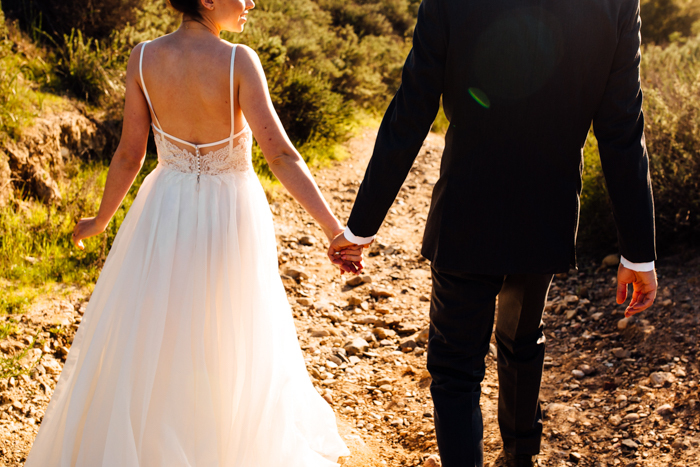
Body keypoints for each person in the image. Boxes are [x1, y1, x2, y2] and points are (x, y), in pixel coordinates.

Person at [25, 0, 360, 465]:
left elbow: (129, 153)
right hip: (230, 210)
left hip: (166, 207)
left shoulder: (143, 57)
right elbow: (280, 154)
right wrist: (334, 230)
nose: (250, 3)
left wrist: (101, 220)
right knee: (232, 329)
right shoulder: (239, 60)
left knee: (162, 327)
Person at [329, 0, 658, 466]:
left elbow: (412, 109)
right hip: (548, 214)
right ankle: (521, 457)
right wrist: (638, 254)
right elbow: (622, 128)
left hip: (467, 216)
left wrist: (362, 225)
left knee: (455, 368)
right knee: (523, 341)